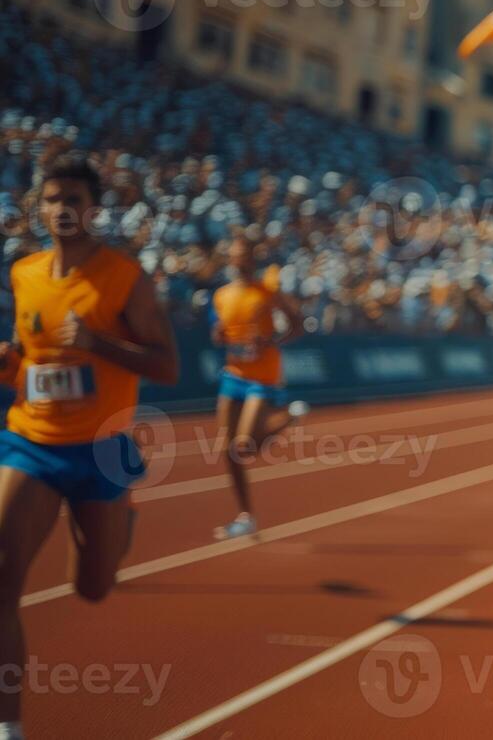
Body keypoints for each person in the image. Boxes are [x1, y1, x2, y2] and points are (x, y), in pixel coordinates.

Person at [0, 154, 179, 735]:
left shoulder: (124, 277)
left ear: (93, 209)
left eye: (73, 200)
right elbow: (31, 353)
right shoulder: (23, 272)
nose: (61, 210)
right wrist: (10, 364)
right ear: (39, 205)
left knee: (94, 588)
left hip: (101, 450)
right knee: (2, 579)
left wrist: (99, 342)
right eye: (52, 199)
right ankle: (9, 726)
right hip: (32, 441)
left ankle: (119, 519)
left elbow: (168, 366)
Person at [210, 236, 304, 540]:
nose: (238, 260)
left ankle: (287, 418)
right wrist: (222, 335)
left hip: (261, 377)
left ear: (252, 257)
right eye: (233, 254)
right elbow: (219, 333)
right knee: (229, 451)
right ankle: (246, 516)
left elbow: (297, 324)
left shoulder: (268, 292)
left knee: (243, 446)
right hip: (233, 374)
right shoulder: (222, 295)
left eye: (243, 254)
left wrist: (270, 341)